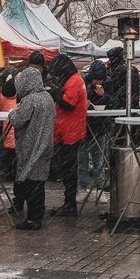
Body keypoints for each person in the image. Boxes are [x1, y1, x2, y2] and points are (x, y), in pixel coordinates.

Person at [7, 67, 56, 230]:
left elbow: (18, 121)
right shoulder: (47, 97)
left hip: (31, 145)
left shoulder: (30, 100)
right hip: (45, 144)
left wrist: (12, 112)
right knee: (38, 181)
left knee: (30, 181)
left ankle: (33, 220)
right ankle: (37, 216)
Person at [47, 54, 88, 217]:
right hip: (69, 130)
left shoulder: (74, 81)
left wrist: (54, 92)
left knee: (69, 170)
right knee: (68, 169)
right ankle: (68, 203)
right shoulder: (75, 79)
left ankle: (70, 205)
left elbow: (68, 104)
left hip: (70, 132)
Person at [81, 61, 112, 199]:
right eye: (96, 79)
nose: (98, 81)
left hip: (100, 127)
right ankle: (82, 188)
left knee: (99, 160)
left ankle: (101, 190)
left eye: (100, 79)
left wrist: (103, 96)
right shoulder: (83, 83)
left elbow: (113, 103)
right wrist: (85, 100)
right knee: (82, 160)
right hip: (84, 127)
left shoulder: (108, 84)